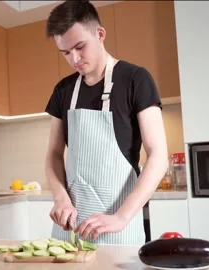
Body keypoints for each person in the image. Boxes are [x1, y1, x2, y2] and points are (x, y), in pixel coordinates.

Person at [44, 0, 168, 245]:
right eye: (66, 52)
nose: (74, 58)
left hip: (119, 229)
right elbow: (54, 154)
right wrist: (60, 198)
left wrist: (121, 217)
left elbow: (158, 156)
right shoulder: (63, 90)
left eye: (80, 47)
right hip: (71, 228)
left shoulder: (136, 79)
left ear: (100, 34)